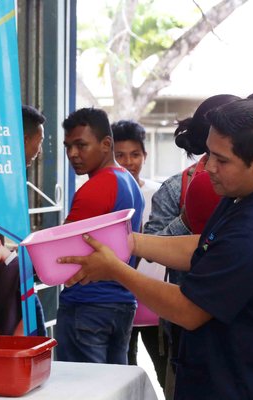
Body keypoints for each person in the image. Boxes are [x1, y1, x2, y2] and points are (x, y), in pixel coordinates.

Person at [59, 99, 253, 399]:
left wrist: (117, 269)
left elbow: (188, 310)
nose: (207, 168)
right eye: (208, 154)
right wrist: (130, 243)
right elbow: (204, 245)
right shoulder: (252, 191)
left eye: (221, 160)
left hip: (251, 383)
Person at [56, 108, 144, 365]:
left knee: (85, 391)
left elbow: (62, 254)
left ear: (106, 144)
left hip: (87, 305)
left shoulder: (95, 188)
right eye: (68, 146)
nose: (73, 154)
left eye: (81, 145)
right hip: (122, 303)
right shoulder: (129, 181)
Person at [112, 119, 167, 388]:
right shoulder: (107, 195)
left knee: (166, 373)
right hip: (119, 301)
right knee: (124, 377)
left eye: (134, 155)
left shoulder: (159, 194)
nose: (128, 162)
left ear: (144, 155)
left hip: (157, 302)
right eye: (120, 156)